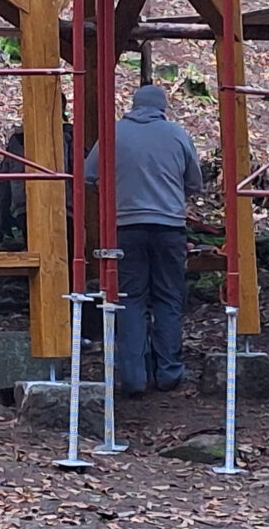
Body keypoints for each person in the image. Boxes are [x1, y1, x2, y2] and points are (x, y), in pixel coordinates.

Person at [81, 82, 204, 395]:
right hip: (169, 229)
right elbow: (194, 182)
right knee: (168, 298)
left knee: (129, 300)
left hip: (126, 229)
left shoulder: (115, 133)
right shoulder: (177, 134)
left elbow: (88, 174)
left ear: (134, 105)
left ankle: (134, 378)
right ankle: (169, 373)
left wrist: (116, 191)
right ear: (162, 106)